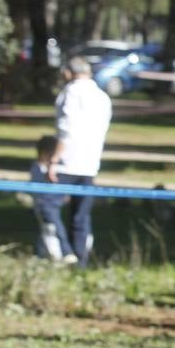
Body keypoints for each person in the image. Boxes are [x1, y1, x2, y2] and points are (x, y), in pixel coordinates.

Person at [49, 56, 112, 268]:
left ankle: (66, 251)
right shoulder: (102, 96)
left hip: (68, 161)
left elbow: (66, 129)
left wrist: (54, 159)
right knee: (81, 215)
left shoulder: (70, 93)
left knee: (47, 206)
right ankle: (80, 261)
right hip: (90, 163)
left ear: (68, 72)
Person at [30, 134, 73, 263]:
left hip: (51, 205)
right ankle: (65, 252)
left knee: (49, 230)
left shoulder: (55, 168)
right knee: (54, 228)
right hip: (43, 205)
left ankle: (43, 254)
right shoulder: (38, 168)